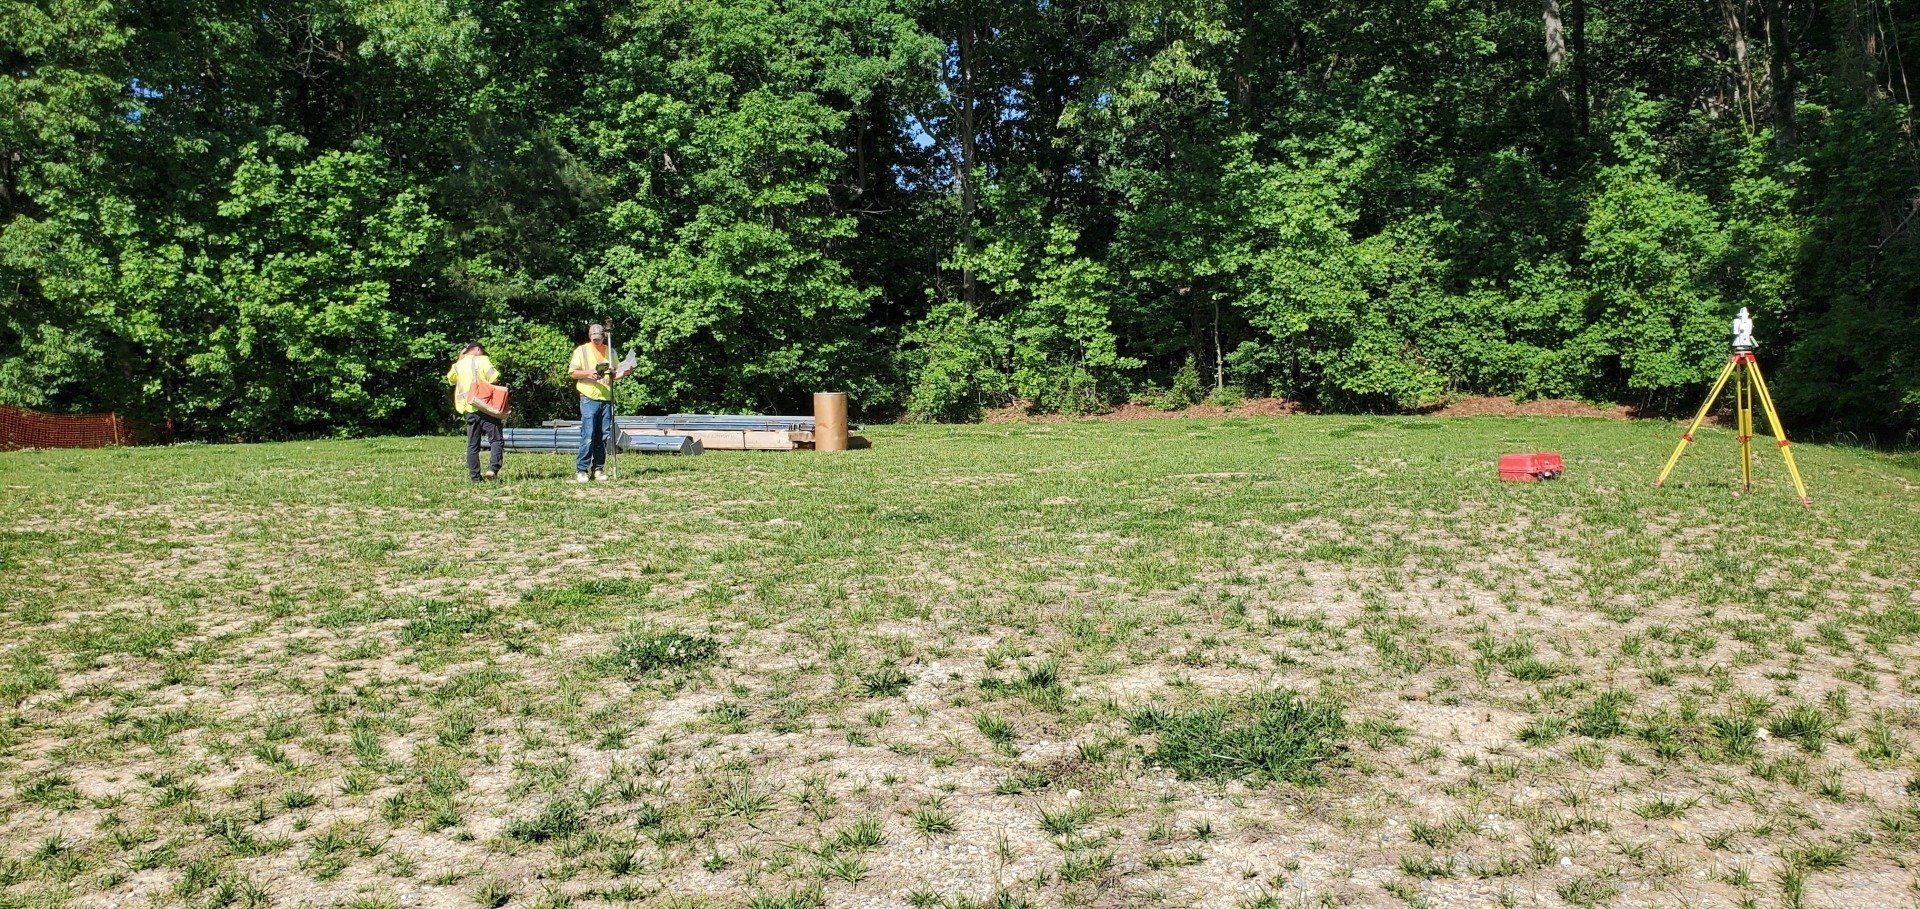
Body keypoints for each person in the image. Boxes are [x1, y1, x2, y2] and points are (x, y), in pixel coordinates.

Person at [567, 323, 627, 482]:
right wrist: (589, 373)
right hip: (588, 397)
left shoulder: (610, 350)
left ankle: (598, 468)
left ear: (603, 337)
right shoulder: (582, 351)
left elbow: (613, 375)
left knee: (603, 435)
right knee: (588, 434)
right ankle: (581, 470)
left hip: (606, 398)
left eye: (599, 339)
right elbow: (572, 372)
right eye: (594, 339)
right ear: (589, 336)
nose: (597, 342)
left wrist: (625, 372)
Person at [447, 342, 503, 482]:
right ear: (477, 349)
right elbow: (494, 378)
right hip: (484, 406)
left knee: (473, 445)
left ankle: (475, 478)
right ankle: (492, 469)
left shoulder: (458, 364)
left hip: (468, 408)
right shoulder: (482, 360)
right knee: (496, 439)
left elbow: (451, 379)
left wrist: (459, 359)